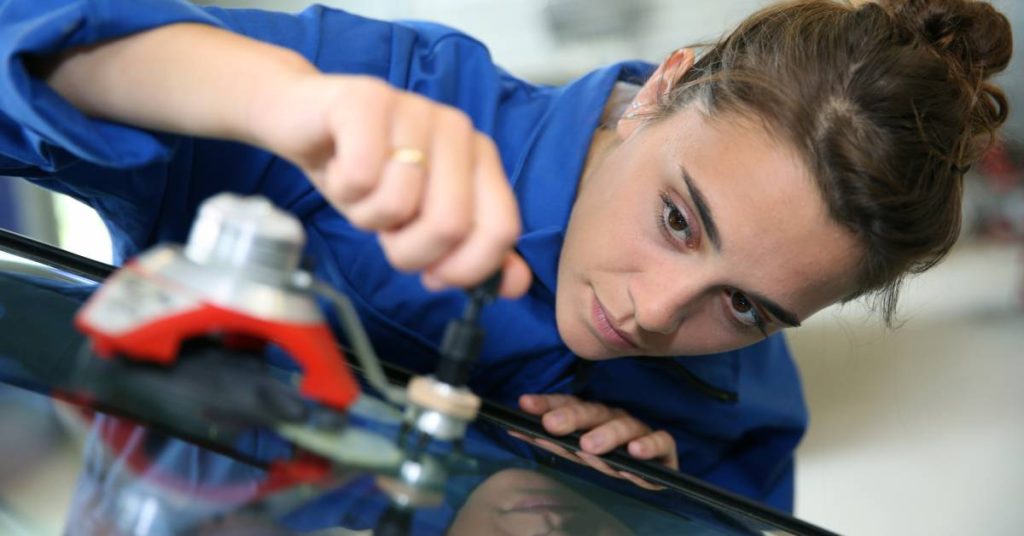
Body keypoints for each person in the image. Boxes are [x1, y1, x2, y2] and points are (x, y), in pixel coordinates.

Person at [0, 0, 1011, 513]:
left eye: (746, 305)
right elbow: (26, 43)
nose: (657, 313)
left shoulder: (746, 414)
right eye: (676, 219)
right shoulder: (395, 90)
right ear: (662, 87)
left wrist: (608, 519)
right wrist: (287, 105)